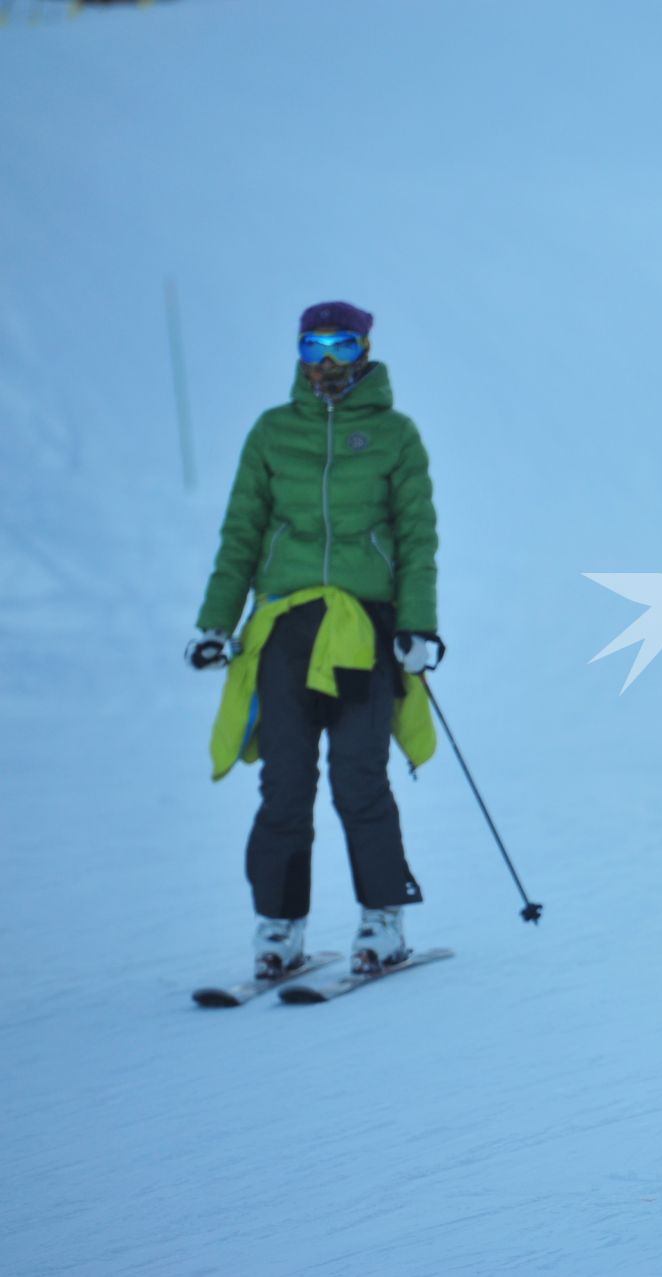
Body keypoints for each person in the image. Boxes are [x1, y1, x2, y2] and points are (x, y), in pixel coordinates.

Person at [189, 300, 441, 978]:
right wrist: (216, 623)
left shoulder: (395, 435)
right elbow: (240, 533)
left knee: (360, 778)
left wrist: (419, 626)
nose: (326, 362)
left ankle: (383, 918)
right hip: (283, 630)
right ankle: (280, 928)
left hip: (362, 631)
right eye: (311, 347)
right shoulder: (272, 433)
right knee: (285, 784)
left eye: (340, 345)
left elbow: (417, 539)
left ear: (364, 350)